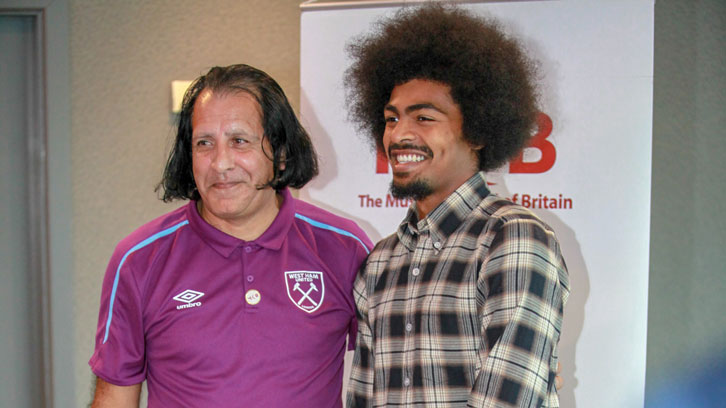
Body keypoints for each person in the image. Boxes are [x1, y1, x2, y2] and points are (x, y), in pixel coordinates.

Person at [89, 64, 372, 407]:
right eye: (204, 143)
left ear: (280, 154)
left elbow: (389, 377)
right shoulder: (137, 260)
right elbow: (114, 398)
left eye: (240, 141)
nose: (220, 163)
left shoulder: (344, 248)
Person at [344, 4, 570, 407]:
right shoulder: (378, 264)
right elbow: (362, 398)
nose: (399, 135)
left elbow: (507, 400)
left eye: (424, 118)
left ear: (479, 131)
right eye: (391, 119)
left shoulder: (512, 239)